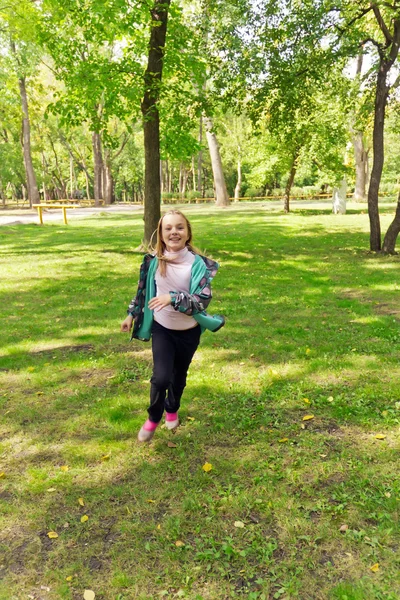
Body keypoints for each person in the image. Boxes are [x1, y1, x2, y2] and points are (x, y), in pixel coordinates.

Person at [121, 210, 225, 442]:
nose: (174, 232)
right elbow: (142, 292)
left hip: (189, 331)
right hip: (162, 328)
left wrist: (173, 297)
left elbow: (201, 300)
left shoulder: (198, 265)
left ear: (188, 233)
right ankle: (153, 417)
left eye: (179, 227)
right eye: (168, 228)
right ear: (160, 233)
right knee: (160, 377)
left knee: (178, 376)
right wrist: (131, 314)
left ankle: (172, 408)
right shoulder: (153, 261)